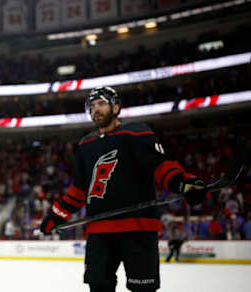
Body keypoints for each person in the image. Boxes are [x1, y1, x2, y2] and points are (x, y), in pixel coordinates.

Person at [40, 86, 207, 292]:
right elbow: (79, 191)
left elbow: (161, 166)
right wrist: (55, 217)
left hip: (138, 228)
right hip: (99, 231)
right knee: (98, 287)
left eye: (101, 104)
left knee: (143, 289)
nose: (96, 110)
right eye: (92, 106)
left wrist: (183, 183)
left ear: (116, 107)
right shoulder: (85, 145)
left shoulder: (136, 133)